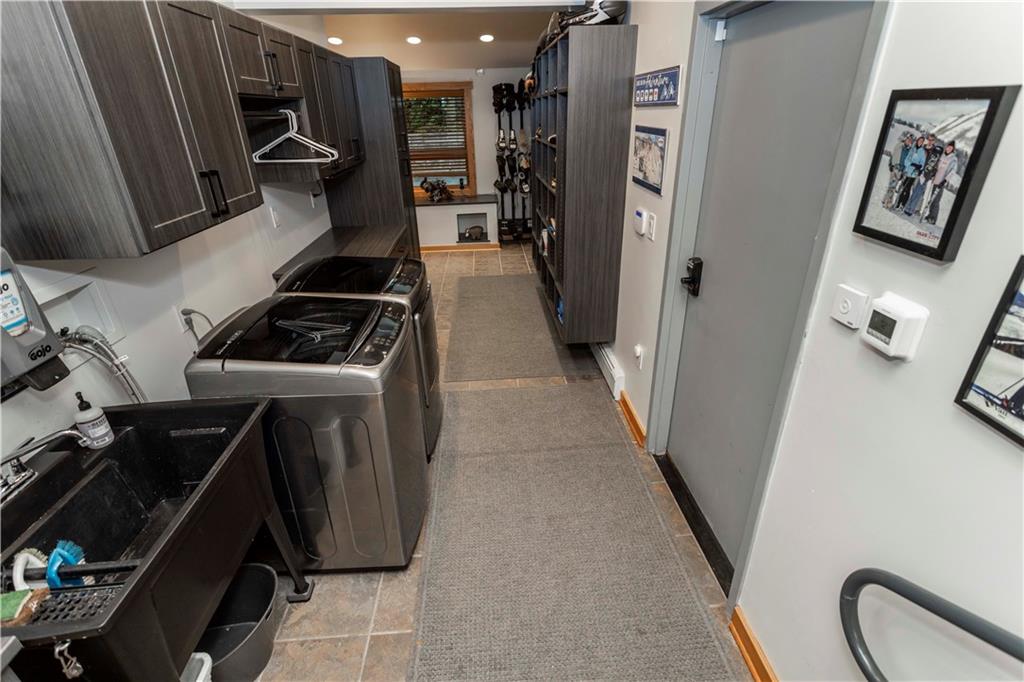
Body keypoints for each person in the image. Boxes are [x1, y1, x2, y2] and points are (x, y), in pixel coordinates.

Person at [906, 134, 941, 216]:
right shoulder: (923, 147)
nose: (930, 141)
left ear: (934, 141)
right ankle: (908, 207)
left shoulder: (935, 151)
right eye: (929, 139)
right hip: (917, 171)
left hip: (926, 174)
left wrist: (933, 174)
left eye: (932, 140)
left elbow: (935, 164)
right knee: (914, 190)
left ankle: (912, 209)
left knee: (919, 192)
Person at [925, 141, 958, 225]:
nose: (949, 148)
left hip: (942, 182)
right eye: (948, 147)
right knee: (932, 199)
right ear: (946, 147)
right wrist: (934, 171)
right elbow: (937, 166)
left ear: (953, 149)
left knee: (936, 200)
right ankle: (930, 215)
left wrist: (945, 180)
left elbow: (952, 172)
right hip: (936, 180)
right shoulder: (942, 156)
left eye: (951, 148)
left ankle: (933, 218)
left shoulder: (953, 159)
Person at [883, 133, 913, 209]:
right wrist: (890, 164)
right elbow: (893, 155)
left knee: (892, 186)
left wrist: (903, 172)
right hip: (895, 168)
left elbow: (908, 163)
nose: (908, 141)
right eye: (908, 139)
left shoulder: (910, 151)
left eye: (910, 141)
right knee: (892, 186)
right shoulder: (899, 146)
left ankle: (885, 199)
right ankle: (888, 203)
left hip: (901, 171)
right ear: (905, 139)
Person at [896, 136, 926, 210]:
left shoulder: (922, 151)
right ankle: (897, 203)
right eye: (919, 140)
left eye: (922, 141)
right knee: (903, 187)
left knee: (908, 188)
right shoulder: (913, 149)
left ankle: (902, 204)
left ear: (922, 143)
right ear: (917, 141)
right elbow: (907, 159)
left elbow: (922, 163)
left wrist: (918, 166)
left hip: (913, 173)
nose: (920, 142)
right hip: (907, 171)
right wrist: (910, 164)